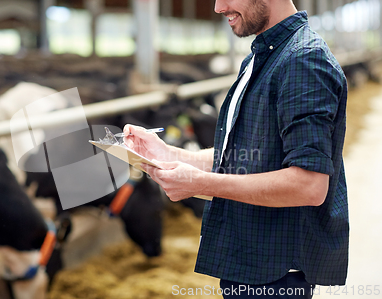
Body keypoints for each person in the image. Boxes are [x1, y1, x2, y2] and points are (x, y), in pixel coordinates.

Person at [123, 0, 348, 298]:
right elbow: (251, 153)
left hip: (276, 274)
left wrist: (199, 183)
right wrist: (171, 155)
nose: (218, 7)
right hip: (253, 261)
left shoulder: (303, 61)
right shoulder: (265, 56)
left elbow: (308, 185)